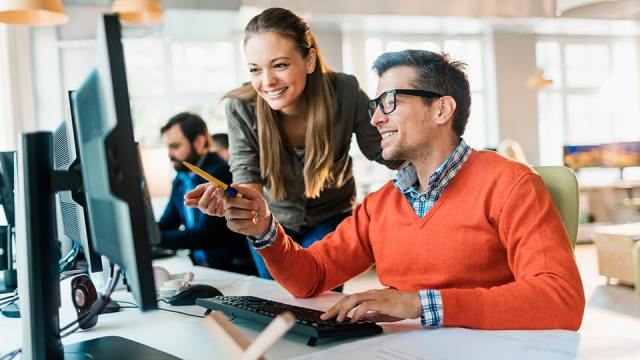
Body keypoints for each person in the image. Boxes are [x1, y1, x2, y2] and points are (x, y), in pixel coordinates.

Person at [186, 49, 585, 330]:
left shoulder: (511, 183)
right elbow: (311, 276)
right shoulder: (381, 205)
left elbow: (560, 299)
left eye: (389, 101)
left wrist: (418, 303)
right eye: (375, 104)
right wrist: (263, 229)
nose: (375, 118)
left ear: (442, 110)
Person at [222, 8, 400, 279]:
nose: (267, 81)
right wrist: (237, 204)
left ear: (309, 60)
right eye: (255, 69)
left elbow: (386, 151)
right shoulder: (241, 107)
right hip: (271, 220)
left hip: (331, 216)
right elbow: (247, 175)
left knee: (319, 301)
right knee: (279, 303)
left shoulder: (344, 92)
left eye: (280, 65)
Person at [158, 112, 255, 275]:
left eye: (175, 146)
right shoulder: (181, 178)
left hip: (231, 270)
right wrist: (142, 233)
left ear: (199, 142)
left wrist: (153, 240)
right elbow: (168, 221)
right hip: (202, 268)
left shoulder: (220, 173)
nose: (169, 154)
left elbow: (204, 235)